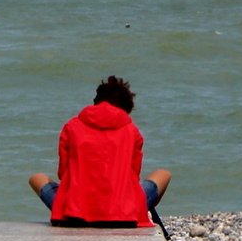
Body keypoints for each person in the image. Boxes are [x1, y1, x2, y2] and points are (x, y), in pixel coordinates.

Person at [29, 75, 170, 230]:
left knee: (37, 178)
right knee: (163, 174)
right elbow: (134, 176)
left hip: (75, 216)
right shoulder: (131, 131)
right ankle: (147, 214)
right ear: (125, 109)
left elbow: (63, 173)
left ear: (96, 102)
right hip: (122, 216)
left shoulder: (72, 126)